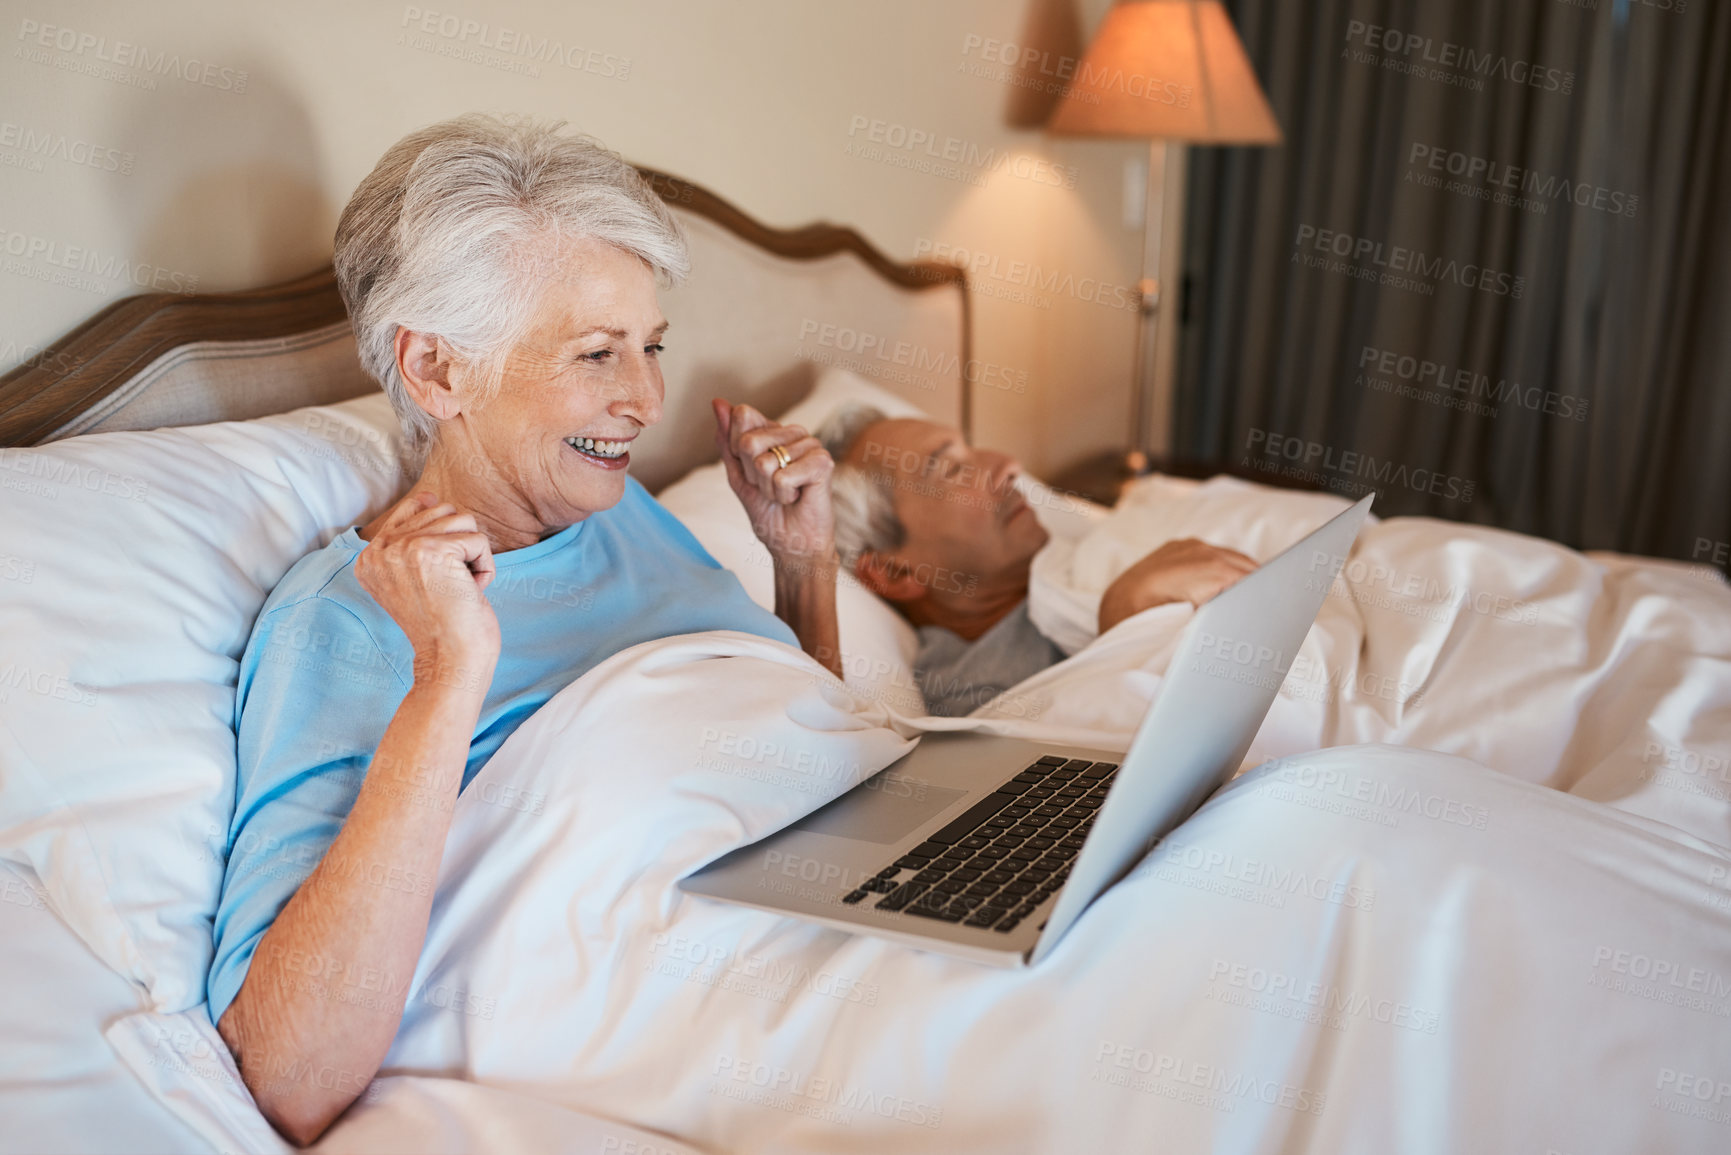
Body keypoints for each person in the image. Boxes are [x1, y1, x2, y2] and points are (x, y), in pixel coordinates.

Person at [208, 114, 837, 1144]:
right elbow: (289, 1071)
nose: (645, 398)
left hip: (857, 901)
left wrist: (803, 568)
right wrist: (448, 676)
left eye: (650, 346)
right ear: (440, 372)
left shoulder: (620, 507)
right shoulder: (346, 621)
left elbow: (803, 748)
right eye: (597, 353)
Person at [818, 404, 1257, 716]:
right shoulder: (975, 698)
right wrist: (1126, 626)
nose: (1008, 464)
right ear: (895, 572)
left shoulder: (1074, 562)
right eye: (952, 468)